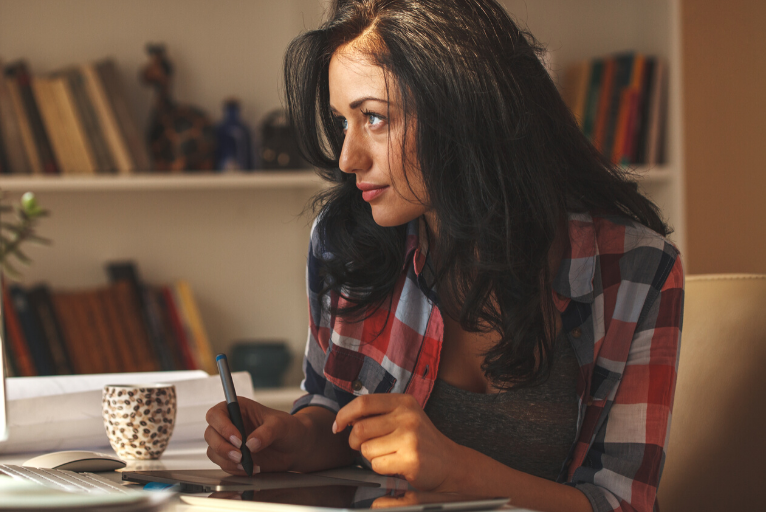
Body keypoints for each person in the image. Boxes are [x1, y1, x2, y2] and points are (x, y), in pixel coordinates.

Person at [204, 1, 684, 511]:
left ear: (464, 110)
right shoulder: (343, 239)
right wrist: (298, 439)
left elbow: (622, 503)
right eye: (342, 122)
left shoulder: (636, 270)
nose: (348, 159)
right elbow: (334, 406)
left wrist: (459, 471)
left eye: (373, 118)